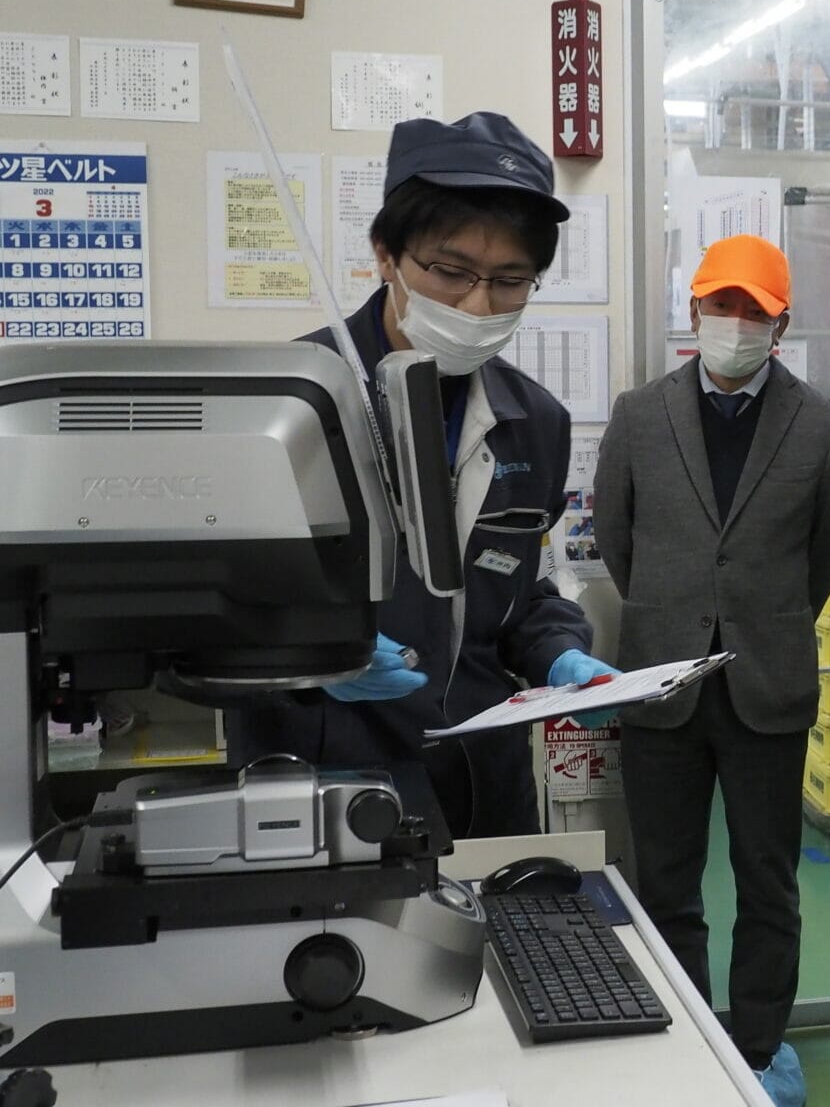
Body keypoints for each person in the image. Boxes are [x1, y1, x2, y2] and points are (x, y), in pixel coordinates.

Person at [228, 111, 614, 840]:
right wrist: (316, 655)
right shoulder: (288, 402)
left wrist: (561, 652)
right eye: (451, 272)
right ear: (386, 254)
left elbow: (523, 587)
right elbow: (218, 605)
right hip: (325, 774)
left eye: (510, 281)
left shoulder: (535, 421)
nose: (478, 304)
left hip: (481, 773)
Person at [594, 234, 830, 1107]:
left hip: (766, 685)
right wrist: (674, 615)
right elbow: (619, 540)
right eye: (722, 305)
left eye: (754, 311)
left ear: (781, 324)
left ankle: (760, 1045)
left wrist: (759, 622)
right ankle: (685, 1038)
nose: (735, 324)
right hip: (661, 683)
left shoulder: (820, 425)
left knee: (767, 883)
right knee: (666, 882)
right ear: (694, 310)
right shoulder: (639, 415)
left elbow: (822, 555)